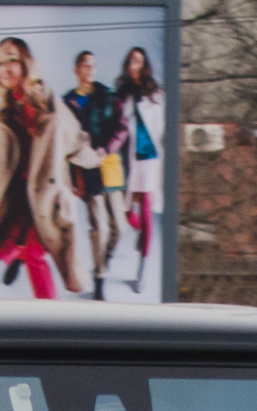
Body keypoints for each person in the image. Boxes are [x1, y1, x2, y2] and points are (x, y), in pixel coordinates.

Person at [0, 36, 88, 298]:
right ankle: (14, 258)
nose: (5, 69)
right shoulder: (7, 105)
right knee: (3, 247)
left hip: (43, 193)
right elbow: (4, 157)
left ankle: (49, 319)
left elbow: (72, 136)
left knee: (32, 252)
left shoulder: (44, 97)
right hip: (18, 193)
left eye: (12, 61)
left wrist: (92, 159)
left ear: (25, 64)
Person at [60, 50, 124, 298]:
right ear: (76, 70)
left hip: (108, 164)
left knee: (118, 225)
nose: (90, 70)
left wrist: (106, 149)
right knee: (99, 225)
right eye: (86, 66)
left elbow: (121, 128)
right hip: (85, 168)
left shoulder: (107, 96)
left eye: (93, 66)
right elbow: (65, 139)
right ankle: (100, 277)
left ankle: (103, 259)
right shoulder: (68, 102)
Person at [115, 46, 164, 293]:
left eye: (139, 61)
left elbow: (161, 127)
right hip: (128, 159)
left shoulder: (154, 93)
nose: (134, 65)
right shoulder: (122, 92)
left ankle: (142, 269)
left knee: (145, 210)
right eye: (131, 60)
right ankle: (141, 234)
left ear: (144, 66)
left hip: (149, 158)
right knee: (126, 211)